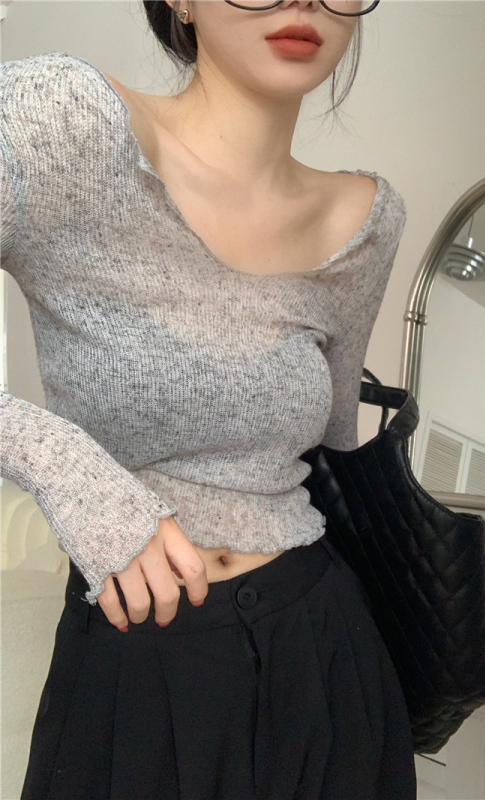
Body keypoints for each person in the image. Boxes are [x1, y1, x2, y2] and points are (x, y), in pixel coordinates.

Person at [0, 1, 416, 798]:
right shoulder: (58, 120)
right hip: (136, 656)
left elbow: (330, 440)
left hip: (326, 649)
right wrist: (66, 469)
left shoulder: (366, 219)